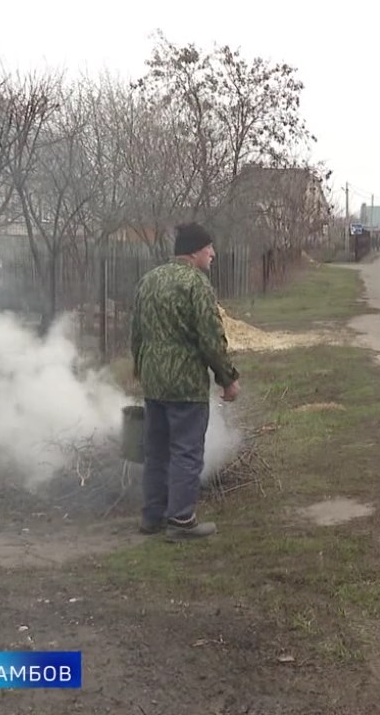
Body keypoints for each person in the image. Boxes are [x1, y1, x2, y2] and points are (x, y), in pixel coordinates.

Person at [130, 222, 241, 542]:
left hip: (154, 382)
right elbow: (211, 339)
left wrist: (141, 369)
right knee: (186, 451)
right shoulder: (196, 284)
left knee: (156, 451)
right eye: (209, 249)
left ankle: (152, 517)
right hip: (184, 384)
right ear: (195, 251)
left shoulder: (148, 280)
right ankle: (180, 521)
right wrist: (228, 379)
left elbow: (136, 333)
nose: (213, 254)